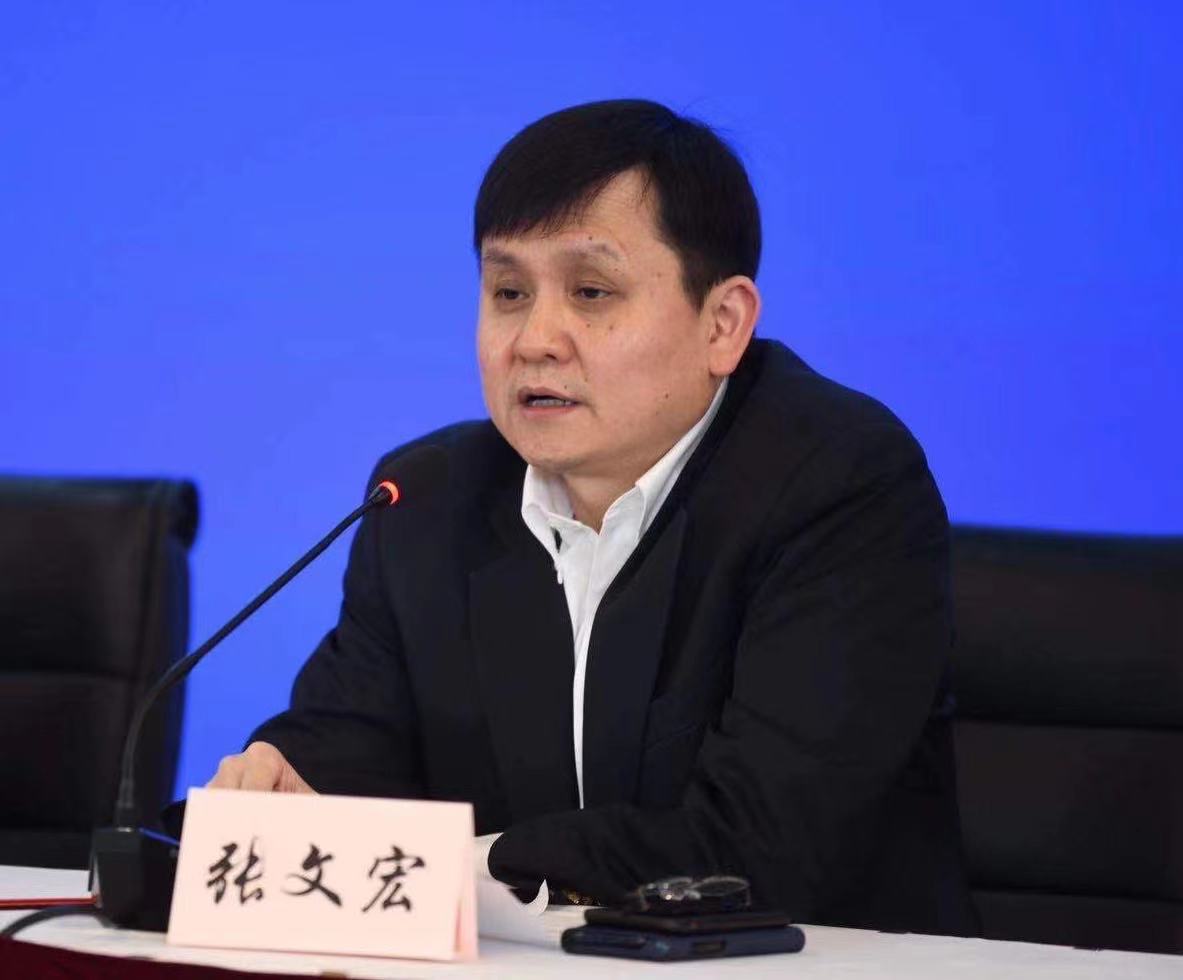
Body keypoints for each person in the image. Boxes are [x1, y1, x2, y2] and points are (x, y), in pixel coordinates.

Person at [206, 99, 978, 935]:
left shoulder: (836, 481)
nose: (535, 338)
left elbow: (756, 848)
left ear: (722, 325)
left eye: (590, 291)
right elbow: (346, 756)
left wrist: (466, 870)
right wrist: (281, 795)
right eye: (508, 292)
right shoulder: (426, 499)